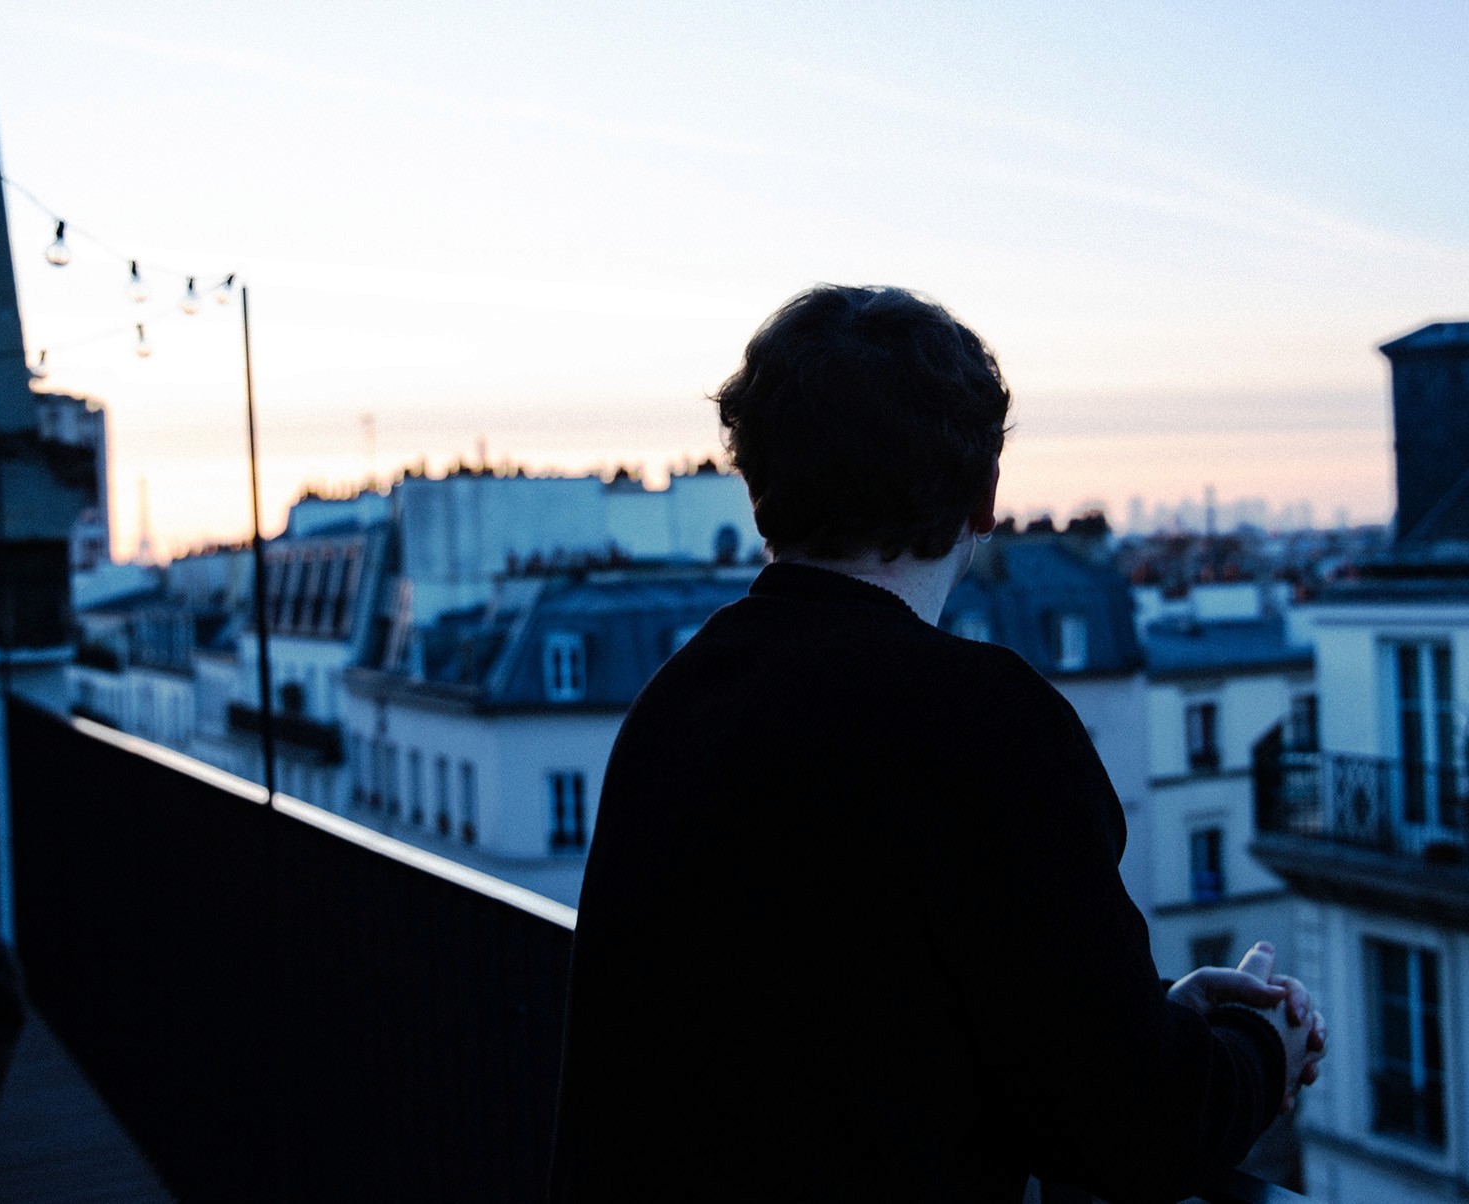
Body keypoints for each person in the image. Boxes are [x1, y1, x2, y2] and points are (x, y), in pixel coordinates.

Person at [552, 285, 1324, 1203]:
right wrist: (1260, 1056)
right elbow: (1132, 1129)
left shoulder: (675, 705)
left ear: (760, 493)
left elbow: (854, 1014)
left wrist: (1156, 1018)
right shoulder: (985, 725)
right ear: (987, 497)